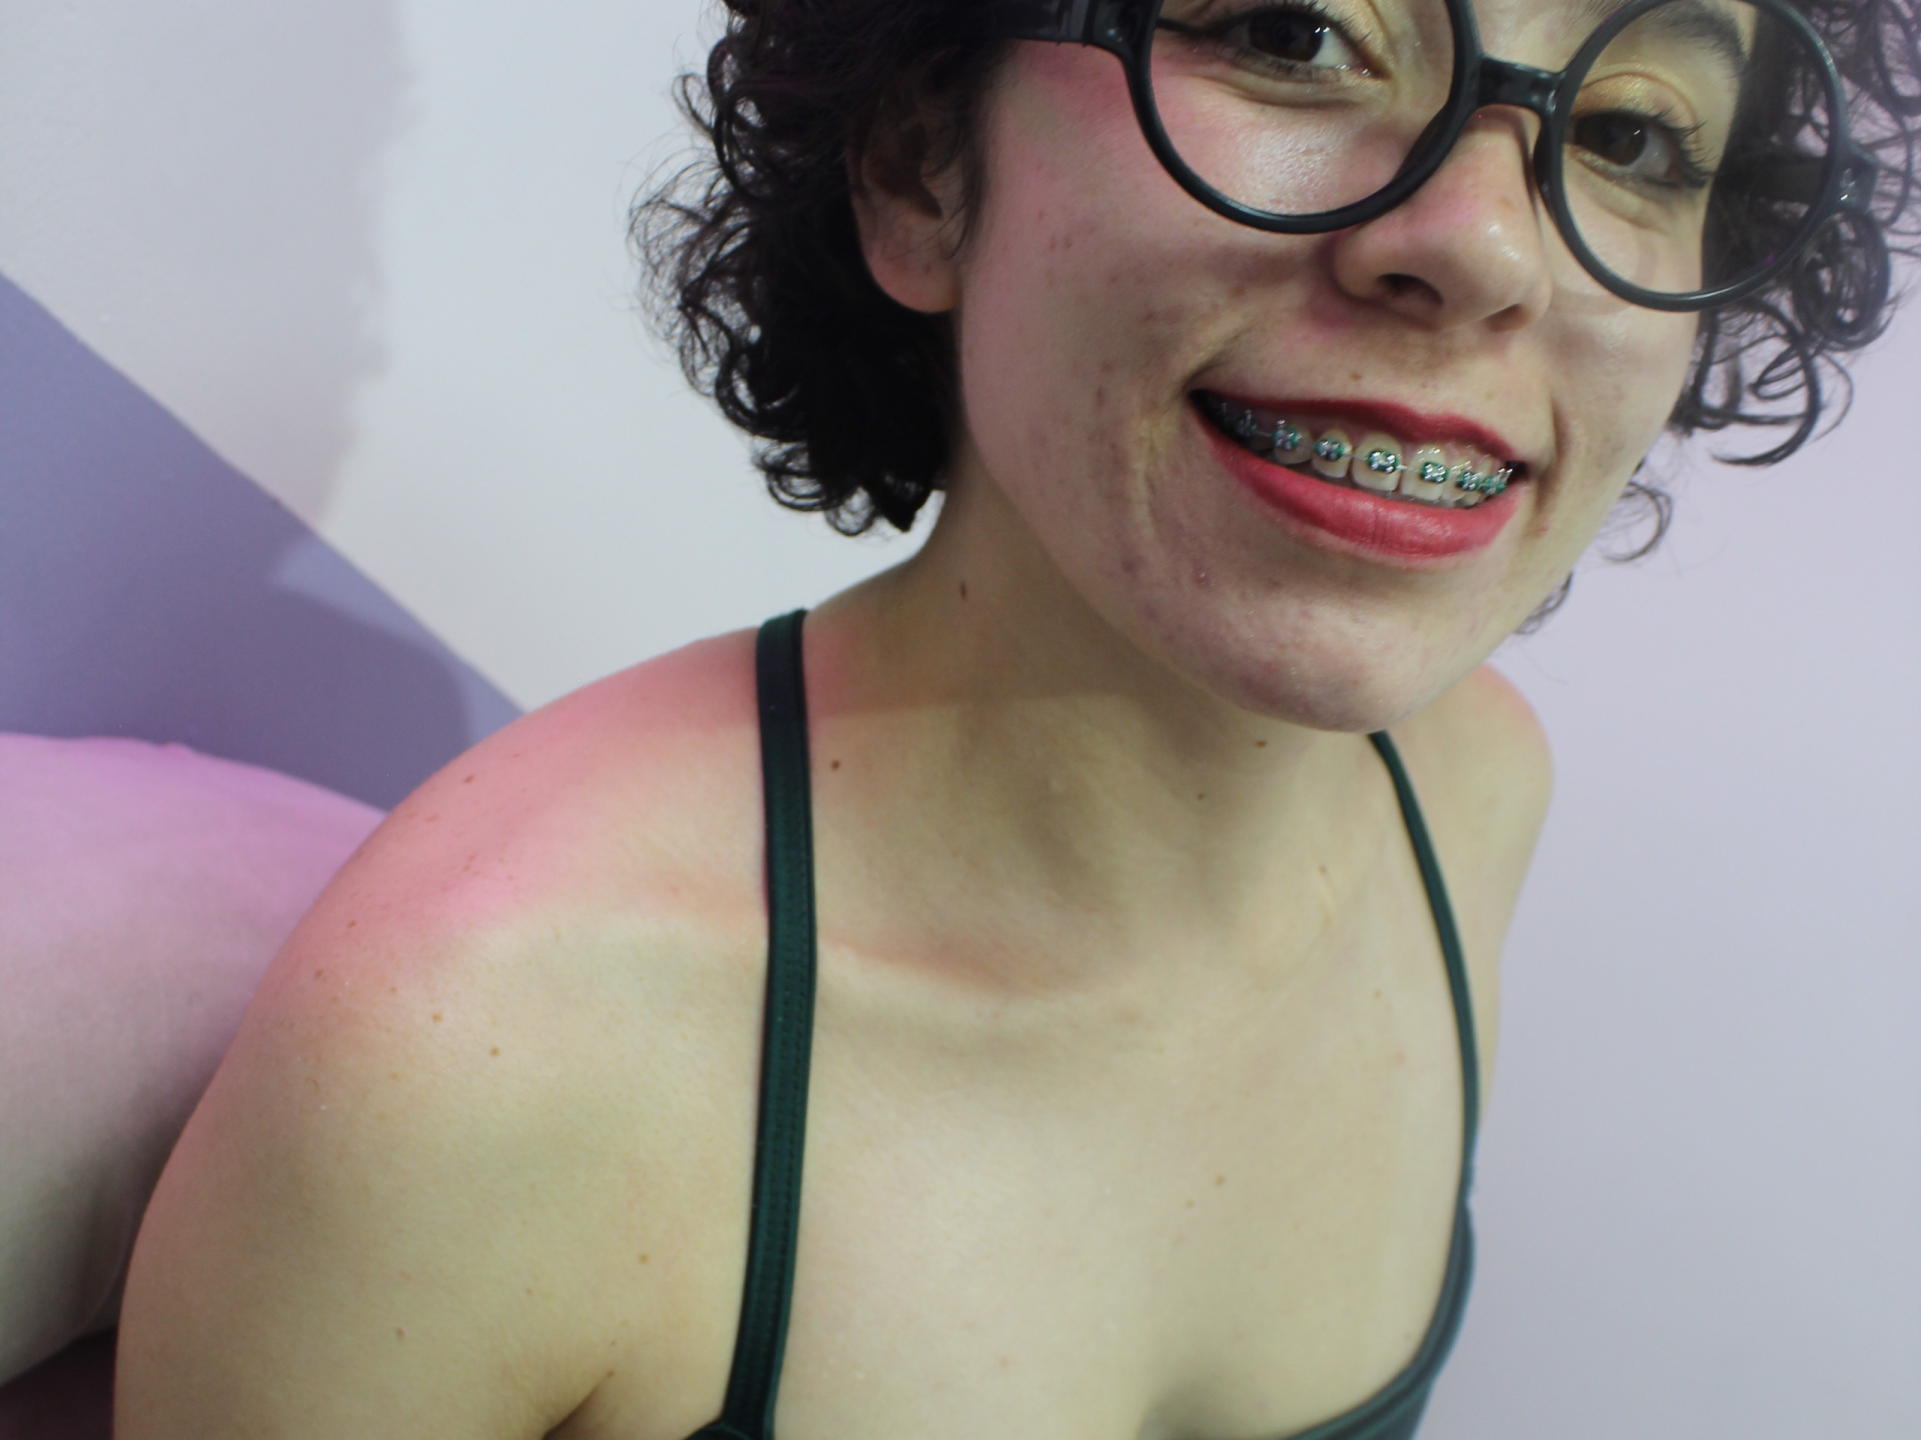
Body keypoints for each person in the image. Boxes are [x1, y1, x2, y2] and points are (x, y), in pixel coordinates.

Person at [112, 1, 1921, 1437]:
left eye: (1628, 136)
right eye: (1295, 33)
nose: (1484, 243)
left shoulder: (1474, 800)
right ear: (921, 166)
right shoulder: (480, 1064)